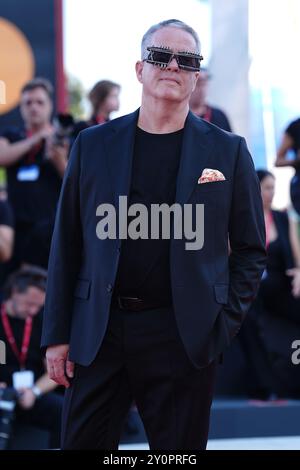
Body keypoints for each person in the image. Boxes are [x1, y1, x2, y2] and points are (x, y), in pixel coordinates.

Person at [41, 19, 266, 450]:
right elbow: (66, 244)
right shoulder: (93, 144)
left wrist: (220, 325)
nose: (173, 66)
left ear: (196, 75)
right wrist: (57, 334)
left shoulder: (228, 151)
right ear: (140, 68)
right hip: (100, 332)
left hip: (183, 335)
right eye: (161, 56)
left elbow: (252, 250)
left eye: (187, 60)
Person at [239, 170, 300, 398]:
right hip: (249, 286)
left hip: (278, 285)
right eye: (266, 187)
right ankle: (264, 386)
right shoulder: (241, 217)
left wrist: (299, 273)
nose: (271, 193)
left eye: (273, 187)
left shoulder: (283, 218)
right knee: (247, 319)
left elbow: (295, 251)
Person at [0, 78, 69, 273]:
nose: (34, 108)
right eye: (28, 103)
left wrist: (58, 158)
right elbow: (2, 157)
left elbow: (76, 182)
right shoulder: (11, 135)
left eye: (39, 102)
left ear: (50, 106)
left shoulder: (62, 137)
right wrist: (35, 139)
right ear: (21, 107)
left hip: (50, 230)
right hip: (14, 229)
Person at [0, 266, 63, 448]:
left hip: (30, 393)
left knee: (63, 411)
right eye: (29, 303)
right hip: (3, 391)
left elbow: (55, 370)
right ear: (14, 292)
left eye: (38, 306)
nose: (33, 310)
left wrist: (34, 391)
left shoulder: (42, 322)